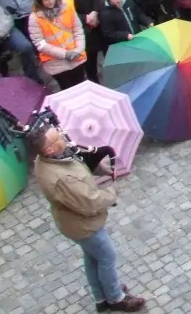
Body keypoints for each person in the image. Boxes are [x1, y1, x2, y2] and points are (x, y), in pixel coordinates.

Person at [30, 126, 146, 311]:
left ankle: (102, 297)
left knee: (93, 257)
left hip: (75, 223)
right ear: (49, 150)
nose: (63, 136)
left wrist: (100, 169)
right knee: (107, 256)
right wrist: (112, 192)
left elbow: (78, 165)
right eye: (57, 137)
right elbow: (89, 203)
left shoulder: (53, 158)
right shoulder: (60, 179)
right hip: (83, 225)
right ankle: (116, 298)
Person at [30, 0, 88, 90]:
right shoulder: (35, 18)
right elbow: (40, 44)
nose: (51, 1)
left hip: (75, 56)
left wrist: (78, 50)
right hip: (56, 63)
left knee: (81, 86)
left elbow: (78, 29)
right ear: (40, 0)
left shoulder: (68, 7)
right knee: (67, 89)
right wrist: (65, 54)